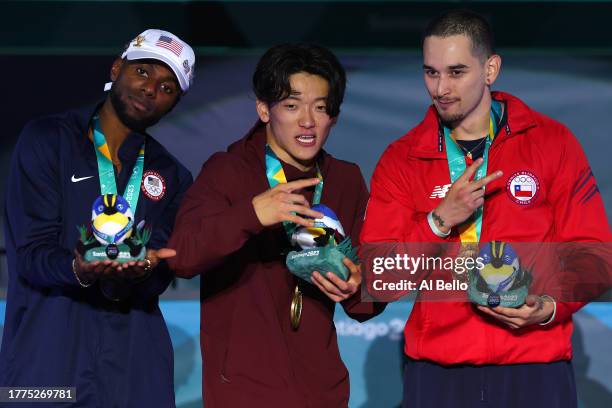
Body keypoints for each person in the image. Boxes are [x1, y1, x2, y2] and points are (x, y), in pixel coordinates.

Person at [360, 10, 611, 408]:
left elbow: (594, 253)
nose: (440, 88)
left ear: (490, 69)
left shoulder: (552, 143)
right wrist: (439, 221)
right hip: (438, 374)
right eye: (430, 72)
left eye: (456, 72)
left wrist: (548, 308)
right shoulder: (402, 159)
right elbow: (381, 279)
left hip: (534, 367)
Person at [168, 43, 384, 407]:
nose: (308, 121)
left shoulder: (345, 179)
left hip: (322, 392)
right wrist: (252, 214)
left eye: (321, 107)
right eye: (292, 105)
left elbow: (367, 303)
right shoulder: (228, 171)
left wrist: (359, 285)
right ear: (264, 110)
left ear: (334, 114)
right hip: (243, 393)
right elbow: (181, 255)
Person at [0, 29, 194, 407]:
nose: (151, 89)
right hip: (45, 357)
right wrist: (80, 268)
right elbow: (31, 255)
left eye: (168, 87)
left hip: (134, 364)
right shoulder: (47, 139)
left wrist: (142, 271)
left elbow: (159, 272)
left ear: (175, 103)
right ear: (118, 67)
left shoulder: (173, 176)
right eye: (143, 73)